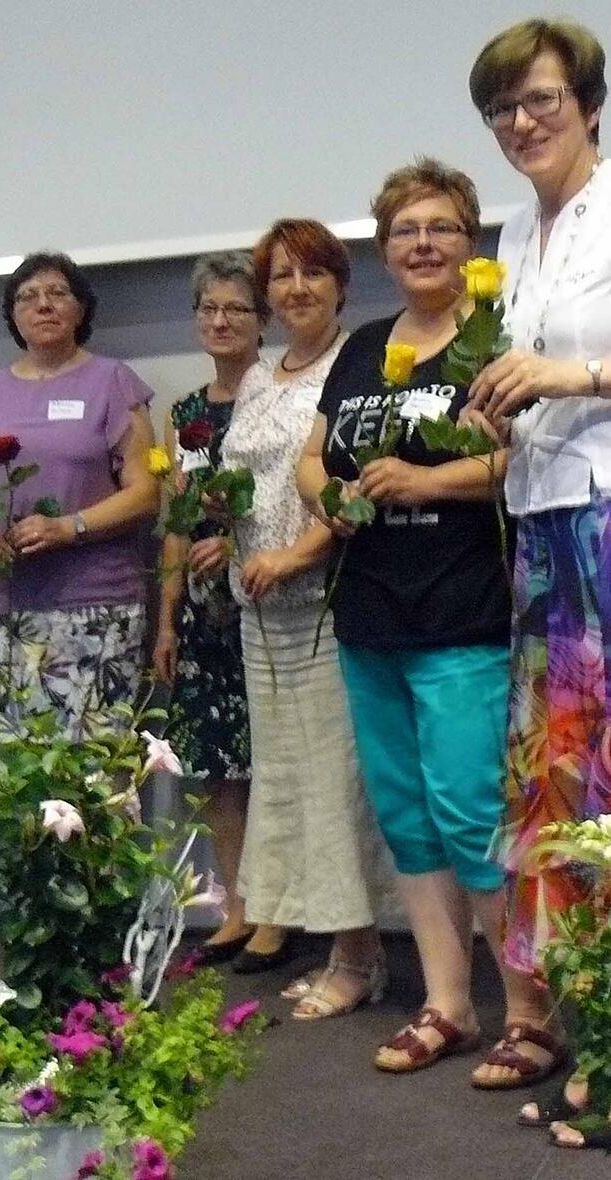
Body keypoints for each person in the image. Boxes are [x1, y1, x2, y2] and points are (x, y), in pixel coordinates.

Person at [297, 159, 557, 1080]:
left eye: (442, 228)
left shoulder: (496, 340)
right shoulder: (365, 344)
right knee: (407, 819)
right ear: (384, 247)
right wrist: (327, 496)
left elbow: (512, 464)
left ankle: (528, 1012)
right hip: (371, 618)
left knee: (471, 813)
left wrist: (421, 480)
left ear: (471, 242)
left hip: (462, 614)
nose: (423, 243)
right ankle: (447, 1006)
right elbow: (313, 455)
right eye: (406, 229)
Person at [466, 18, 611, 1143]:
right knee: (559, 787)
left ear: (589, 100)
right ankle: (582, 1016)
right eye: (503, 108)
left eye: (540, 99)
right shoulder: (515, 230)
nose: (521, 122)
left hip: (609, 519)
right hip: (542, 525)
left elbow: (576, 368)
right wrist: (499, 406)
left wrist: (576, 372)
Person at [219, 219, 386, 1014]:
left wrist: (299, 553)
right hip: (261, 612)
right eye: (281, 276)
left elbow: (351, 486)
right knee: (285, 783)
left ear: (341, 284)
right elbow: (243, 483)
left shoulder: (357, 365)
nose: (297, 288)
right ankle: (337, 947)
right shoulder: (257, 377)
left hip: (324, 601)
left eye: (313, 273)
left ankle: (358, 960)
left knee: (333, 786)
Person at [0, 252, 159, 736]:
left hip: (98, 602)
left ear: (81, 309)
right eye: (28, 297)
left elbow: (146, 492)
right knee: (24, 766)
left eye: (57, 293)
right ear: (14, 316)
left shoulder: (112, 380)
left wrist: (69, 528)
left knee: (99, 765)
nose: (43, 305)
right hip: (11, 607)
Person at [151, 251, 258, 962]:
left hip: (269, 604)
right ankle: (238, 906)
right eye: (208, 309)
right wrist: (166, 619)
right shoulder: (184, 414)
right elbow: (176, 522)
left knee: (276, 765)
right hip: (202, 616)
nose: (220, 322)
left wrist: (241, 549)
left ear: (262, 320)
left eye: (236, 309)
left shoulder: (284, 397)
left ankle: (286, 909)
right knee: (220, 767)